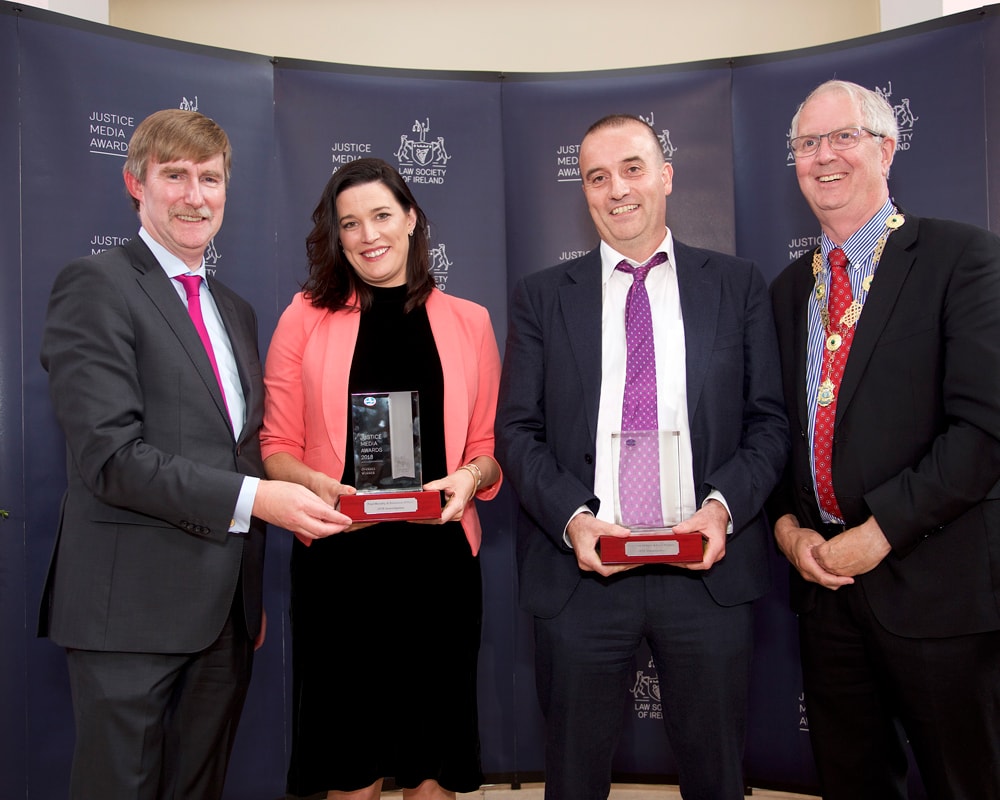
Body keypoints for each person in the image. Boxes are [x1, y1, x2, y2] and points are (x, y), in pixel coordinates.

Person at [38, 109, 352, 800]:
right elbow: (111, 457)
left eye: (210, 179)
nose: (194, 196)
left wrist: (256, 564)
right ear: (135, 184)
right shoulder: (96, 285)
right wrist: (261, 500)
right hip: (128, 616)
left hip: (224, 616)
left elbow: (238, 450)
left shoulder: (234, 310)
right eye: (174, 176)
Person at [495, 114, 788, 800]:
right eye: (597, 177)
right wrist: (574, 519)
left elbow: (768, 423)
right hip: (582, 573)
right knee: (573, 780)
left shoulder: (737, 284)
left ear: (666, 176)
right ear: (585, 192)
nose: (617, 189)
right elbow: (517, 431)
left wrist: (722, 509)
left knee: (717, 780)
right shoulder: (541, 296)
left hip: (705, 571)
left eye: (632, 169)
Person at [769, 79, 1000, 799]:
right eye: (808, 143)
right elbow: (775, 430)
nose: (824, 156)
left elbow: (985, 430)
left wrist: (879, 533)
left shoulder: (962, 258)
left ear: (887, 148)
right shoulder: (787, 291)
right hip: (825, 591)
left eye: (844, 137)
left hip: (937, 590)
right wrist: (786, 529)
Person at [261, 157, 502, 800]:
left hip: (439, 567)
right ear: (336, 237)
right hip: (340, 564)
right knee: (352, 769)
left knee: (433, 770)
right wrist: (317, 485)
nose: (369, 235)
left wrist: (470, 478)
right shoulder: (303, 318)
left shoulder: (471, 322)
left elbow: (486, 450)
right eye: (350, 223)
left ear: (411, 219)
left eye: (381, 216)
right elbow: (276, 449)